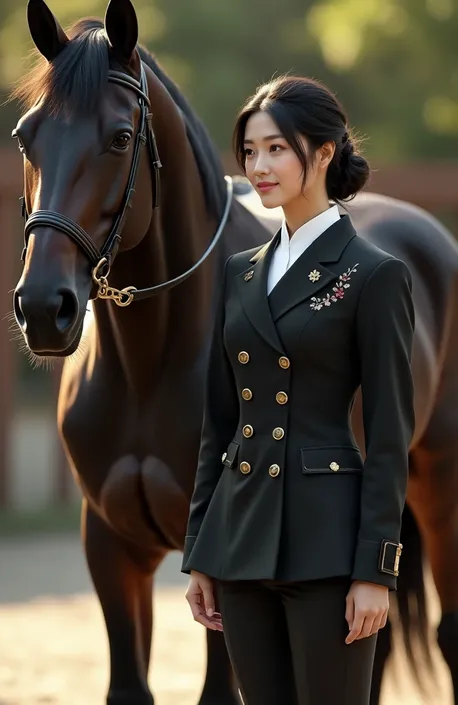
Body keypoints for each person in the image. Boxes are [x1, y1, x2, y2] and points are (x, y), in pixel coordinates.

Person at [181, 75, 415, 705]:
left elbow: (392, 436)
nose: (259, 166)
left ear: (324, 153)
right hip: (241, 545)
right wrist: (202, 550)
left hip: (330, 550)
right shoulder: (238, 272)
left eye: (277, 149)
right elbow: (220, 423)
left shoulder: (375, 274)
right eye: (250, 152)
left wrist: (376, 570)